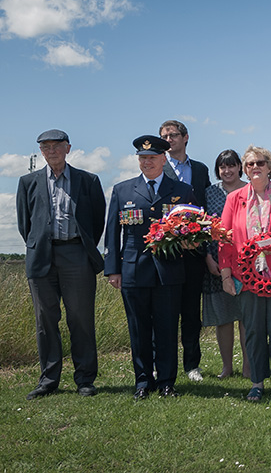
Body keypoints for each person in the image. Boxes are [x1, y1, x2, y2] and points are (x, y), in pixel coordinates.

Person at [105, 135, 197, 399]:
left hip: (169, 270)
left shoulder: (181, 190)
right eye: (143, 158)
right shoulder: (123, 190)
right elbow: (112, 233)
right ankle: (143, 382)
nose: (147, 162)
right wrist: (113, 269)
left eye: (153, 158)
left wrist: (192, 244)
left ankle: (167, 381)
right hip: (134, 270)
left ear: (164, 159)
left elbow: (195, 230)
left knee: (168, 328)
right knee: (139, 329)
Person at [16, 129, 106, 400]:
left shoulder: (88, 180)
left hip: (76, 255)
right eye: (46, 146)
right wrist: (40, 244)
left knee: (80, 319)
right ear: (40, 151)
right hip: (42, 257)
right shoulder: (27, 182)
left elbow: (96, 221)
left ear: (68, 148)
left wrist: (81, 247)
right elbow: (25, 224)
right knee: (45, 321)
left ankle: (85, 379)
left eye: (57, 145)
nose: (51, 150)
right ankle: (49, 379)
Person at [218, 146, 271, 401]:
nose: (254, 167)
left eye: (260, 163)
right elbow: (224, 239)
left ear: (270, 167)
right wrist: (225, 275)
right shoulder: (234, 198)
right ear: (244, 170)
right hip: (246, 277)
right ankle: (256, 382)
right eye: (249, 164)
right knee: (254, 330)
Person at [159, 120, 211, 382]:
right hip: (166, 252)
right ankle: (163, 363)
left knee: (191, 312)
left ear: (186, 137)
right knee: (165, 311)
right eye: (165, 136)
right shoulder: (159, 167)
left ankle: (192, 365)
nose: (169, 139)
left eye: (174, 135)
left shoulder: (200, 170)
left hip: (194, 252)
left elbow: (206, 209)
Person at [202, 149, 249, 379]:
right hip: (215, 261)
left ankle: (249, 367)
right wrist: (208, 258)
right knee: (223, 317)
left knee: (246, 317)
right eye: (222, 167)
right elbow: (203, 227)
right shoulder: (210, 193)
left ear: (240, 166)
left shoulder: (251, 190)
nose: (227, 171)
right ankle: (227, 367)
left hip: (246, 260)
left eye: (231, 166)